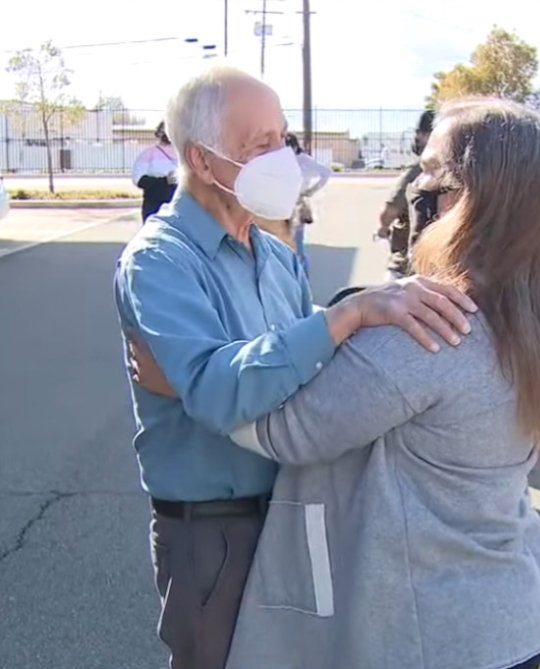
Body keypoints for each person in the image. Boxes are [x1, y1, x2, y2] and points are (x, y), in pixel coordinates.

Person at [115, 65, 476, 669]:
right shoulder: (160, 262)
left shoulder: (272, 256)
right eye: (260, 146)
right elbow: (215, 390)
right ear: (203, 163)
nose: (281, 157)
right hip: (215, 533)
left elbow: (301, 363)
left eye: (282, 139)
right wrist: (346, 318)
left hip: (293, 509)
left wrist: (362, 323)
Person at [218, 98, 540, 669]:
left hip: (435, 635)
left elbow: (288, 431)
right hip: (514, 614)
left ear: (475, 197)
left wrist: (194, 378)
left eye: (433, 170)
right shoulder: (535, 315)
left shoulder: (429, 328)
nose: (418, 184)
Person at [378, 109, 435, 278]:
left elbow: (390, 212)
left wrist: (383, 228)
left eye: (420, 133)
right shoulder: (465, 172)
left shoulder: (419, 170)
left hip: (409, 266)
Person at [284, 132, 332, 273]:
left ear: (293, 146)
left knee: (297, 244)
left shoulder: (303, 159)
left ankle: (302, 277)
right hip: (282, 202)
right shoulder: (282, 161)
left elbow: (326, 172)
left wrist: (311, 190)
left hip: (297, 203)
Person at [132, 121, 179, 221]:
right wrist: (164, 182)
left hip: (178, 205)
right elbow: (138, 179)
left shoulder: (184, 153)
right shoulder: (149, 153)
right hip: (154, 205)